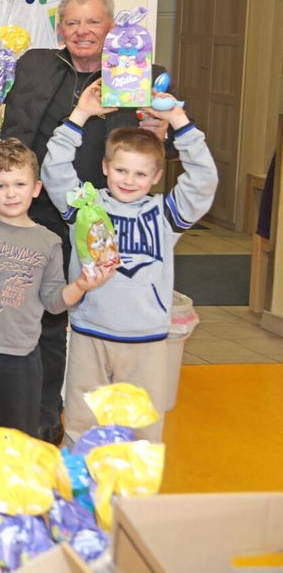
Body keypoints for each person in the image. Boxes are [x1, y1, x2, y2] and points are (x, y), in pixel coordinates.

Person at [0, 0, 168, 443]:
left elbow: (161, 154)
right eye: (72, 22)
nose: (82, 31)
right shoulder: (33, 63)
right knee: (43, 320)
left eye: (92, 22)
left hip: (104, 222)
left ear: (112, 27)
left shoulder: (140, 73)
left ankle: (106, 432)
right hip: (36, 215)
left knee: (98, 322)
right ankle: (43, 420)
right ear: (60, 27)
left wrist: (163, 130)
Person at [42, 81, 217, 442]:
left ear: (156, 177)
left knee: (141, 427)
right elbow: (54, 169)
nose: (129, 180)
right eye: (121, 170)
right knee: (81, 421)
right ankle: (83, 492)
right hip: (91, 333)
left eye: (141, 174)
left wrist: (179, 120)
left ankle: (134, 497)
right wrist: (81, 114)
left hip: (146, 339)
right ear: (106, 167)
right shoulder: (86, 205)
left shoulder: (165, 214)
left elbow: (203, 181)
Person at [0, 138, 111, 441]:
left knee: (18, 439)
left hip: (19, 360)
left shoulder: (48, 241)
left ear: (36, 188)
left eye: (19, 183)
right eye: (1, 186)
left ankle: (13, 488)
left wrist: (81, 285)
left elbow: (55, 302)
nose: (11, 193)